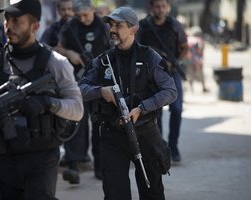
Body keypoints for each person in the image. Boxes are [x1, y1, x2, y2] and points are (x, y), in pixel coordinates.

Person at [0, 0, 83, 199]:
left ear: (35, 26)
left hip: (41, 157)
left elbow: (77, 109)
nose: (9, 26)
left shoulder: (56, 63)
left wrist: (47, 103)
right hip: (2, 157)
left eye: (17, 21)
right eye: (6, 20)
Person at [79, 6, 177, 200]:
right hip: (112, 134)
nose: (112, 29)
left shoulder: (149, 57)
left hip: (145, 131)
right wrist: (101, 91)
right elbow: (80, 89)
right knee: (115, 193)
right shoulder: (103, 60)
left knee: (152, 192)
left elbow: (170, 91)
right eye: (111, 25)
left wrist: (142, 108)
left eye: (118, 25)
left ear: (133, 29)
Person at [56, 0, 111, 184]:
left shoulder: (103, 25)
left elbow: (115, 46)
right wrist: (70, 54)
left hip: (102, 83)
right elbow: (57, 48)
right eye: (79, 15)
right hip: (78, 81)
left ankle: (101, 167)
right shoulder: (70, 26)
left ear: (93, 10)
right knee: (77, 122)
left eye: (86, 14)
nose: (82, 18)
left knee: (100, 124)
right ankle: (73, 165)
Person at [136, 0, 188, 163]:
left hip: (172, 73)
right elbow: (137, 47)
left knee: (177, 109)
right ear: (152, 7)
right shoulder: (143, 25)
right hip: (150, 75)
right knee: (154, 110)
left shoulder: (175, 25)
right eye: (157, 6)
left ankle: (173, 146)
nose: (160, 10)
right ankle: (159, 147)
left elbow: (184, 47)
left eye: (163, 6)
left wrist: (176, 61)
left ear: (167, 7)